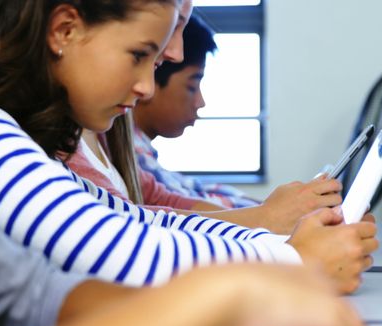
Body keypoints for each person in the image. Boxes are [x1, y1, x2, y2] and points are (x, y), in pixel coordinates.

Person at [0, 0, 372, 326]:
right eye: (142, 54)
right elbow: (114, 253)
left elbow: (122, 231)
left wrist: (275, 259)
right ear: (63, 30)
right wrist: (279, 267)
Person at [67, 16, 345, 233]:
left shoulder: (104, 133)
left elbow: (156, 201)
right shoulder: (63, 144)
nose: (174, 51)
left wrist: (268, 216)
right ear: (65, 32)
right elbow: (127, 229)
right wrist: (265, 219)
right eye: (139, 55)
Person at [131, 18, 260, 208]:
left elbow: (189, 189)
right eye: (192, 86)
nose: (201, 102)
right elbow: (173, 203)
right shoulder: (130, 152)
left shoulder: (143, 155)